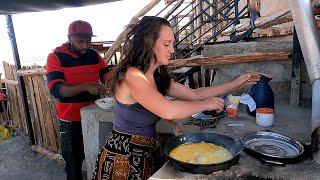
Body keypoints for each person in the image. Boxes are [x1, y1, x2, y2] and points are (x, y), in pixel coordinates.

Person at [92, 16, 260, 180]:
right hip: (122, 159)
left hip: (143, 154)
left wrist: (236, 83)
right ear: (148, 43)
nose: (172, 50)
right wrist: (206, 104)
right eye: (166, 44)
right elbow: (168, 110)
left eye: (172, 44)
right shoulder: (132, 76)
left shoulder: (156, 76)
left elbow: (194, 94)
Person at [46, 20, 112, 180]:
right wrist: (86, 86)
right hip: (70, 122)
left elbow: (106, 75)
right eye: (80, 41)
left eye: (88, 40)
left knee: (97, 157)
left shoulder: (94, 56)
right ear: (70, 38)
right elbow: (57, 90)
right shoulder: (56, 57)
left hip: (94, 116)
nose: (85, 45)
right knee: (73, 164)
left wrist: (114, 82)